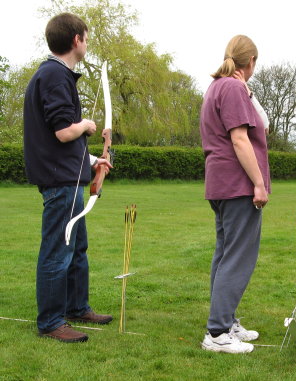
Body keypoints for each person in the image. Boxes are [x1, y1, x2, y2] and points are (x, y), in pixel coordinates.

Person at [23, 12, 113, 343]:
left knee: (75, 247)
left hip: (68, 178)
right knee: (58, 250)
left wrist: (93, 160)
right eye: (86, 38)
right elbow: (62, 133)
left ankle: (76, 307)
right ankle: (50, 321)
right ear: (76, 40)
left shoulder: (55, 75)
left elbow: (57, 141)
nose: (86, 43)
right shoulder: (55, 76)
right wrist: (88, 125)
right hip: (61, 183)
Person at [199, 35, 271, 354]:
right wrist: (258, 183)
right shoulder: (231, 87)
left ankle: (225, 322)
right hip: (237, 184)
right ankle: (217, 333)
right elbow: (241, 139)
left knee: (226, 253)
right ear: (251, 62)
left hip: (222, 183)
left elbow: (262, 125)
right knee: (238, 257)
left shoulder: (219, 86)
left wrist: (249, 91)